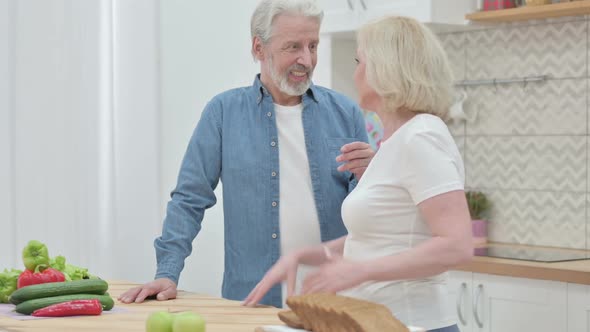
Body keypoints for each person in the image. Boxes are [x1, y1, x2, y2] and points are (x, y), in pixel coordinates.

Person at [118, 0, 374, 308]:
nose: (306, 59)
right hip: (253, 302)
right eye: (293, 46)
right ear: (258, 48)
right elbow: (189, 199)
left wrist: (372, 173)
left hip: (337, 302)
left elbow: (369, 210)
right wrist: (168, 272)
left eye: (313, 45)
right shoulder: (223, 113)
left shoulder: (346, 112)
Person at [243, 15, 473, 332]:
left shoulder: (421, 138)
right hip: (378, 321)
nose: (355, 72)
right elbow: (382, 236)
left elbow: (457, 244)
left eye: (359, 61)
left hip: (414, 323)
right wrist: (313, 254)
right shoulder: (395, 141)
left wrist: (358, 271)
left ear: (385, 69)